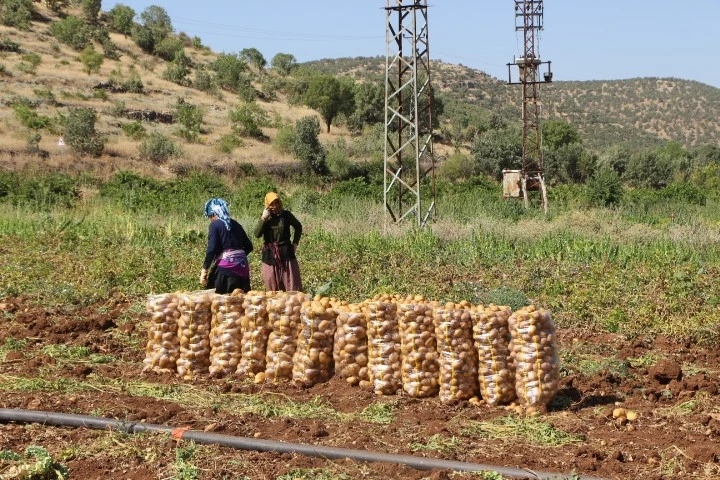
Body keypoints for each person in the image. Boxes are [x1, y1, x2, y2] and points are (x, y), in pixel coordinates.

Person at [200, 198, 254, 294]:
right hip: (242, 268)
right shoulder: (236, 224)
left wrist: (204, 269)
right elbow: (249, 246)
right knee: (240, 301)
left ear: (212, 214)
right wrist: (237, 258)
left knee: (218, 300)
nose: (210, 219)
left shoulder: (215, 225)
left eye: (209, 216)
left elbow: (212, 249)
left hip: (226, 269)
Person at [254, 191, 303, 292]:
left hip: (286, 252)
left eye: (277, 203)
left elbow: (298, 227)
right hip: (270, 254)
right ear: (267, 205)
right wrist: (263, 218)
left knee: (290, 282)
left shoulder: (286, 215)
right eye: (272, 204)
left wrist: (295, 243)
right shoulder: (265, 217)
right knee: (272, 284)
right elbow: (257, 234)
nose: (275, 206)